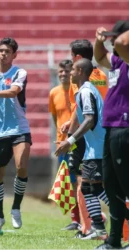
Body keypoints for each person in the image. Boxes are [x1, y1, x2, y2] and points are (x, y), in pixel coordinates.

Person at [60, 39, 109, 237]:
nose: (68, 73)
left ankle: (121, 214)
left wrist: (70, 140)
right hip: (93, 146)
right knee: (89, 187)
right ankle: (98, 227)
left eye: (71, 69)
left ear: (79, 70)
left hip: (97, 146)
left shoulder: (86, 91)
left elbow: (90, 119)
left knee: (93, 188)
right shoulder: (88, 86)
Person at [0, 37, 31, 234]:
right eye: (1, 50)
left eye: (7, 51)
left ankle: (16, 208)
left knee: (21, 166)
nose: (3, 54)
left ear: (15, 55)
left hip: (19, 129)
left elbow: (14, 91)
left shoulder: (19, 73)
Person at [94, 20, 129, 250]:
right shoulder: (117, 62)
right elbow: (99, 57)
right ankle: (114, 241)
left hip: (125, 130)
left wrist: (117, 35)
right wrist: (99, 41)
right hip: (111, 129)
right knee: (112, 187)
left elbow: (123, 42)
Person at [49, 60, 80, 230]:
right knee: (69, 182)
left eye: (67, 71)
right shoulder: (53, 93)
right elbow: (55, 118)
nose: (63, 74)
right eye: (61, 71)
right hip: (63, 143)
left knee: (81, 181)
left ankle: (88, 217)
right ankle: (76, 220)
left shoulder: (78, 91)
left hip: (77, 141)